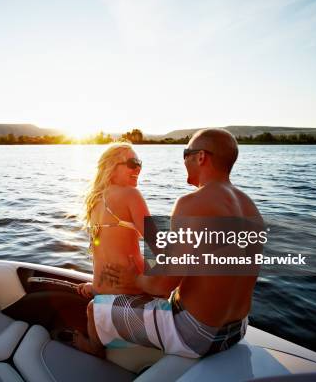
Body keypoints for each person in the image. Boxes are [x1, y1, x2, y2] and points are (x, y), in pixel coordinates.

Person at [84, 128, 263, 359]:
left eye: (185, 153)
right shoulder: (250, 207)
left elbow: (162, 286)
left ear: (201, 157)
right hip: (237, 330)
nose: (184, 161)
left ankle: (92, 351)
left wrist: (134, 278)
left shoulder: (191, 203)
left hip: (195, 335)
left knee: (94, 310)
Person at [73, 142, 150, 356]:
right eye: (132, 164)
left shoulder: (96, 200)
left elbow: (104, 252)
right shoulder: (130, 195)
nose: (138, 169)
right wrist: (151, 283)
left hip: (105, 293)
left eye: (140, 164)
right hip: (130, 290)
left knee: (92, 307)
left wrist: (96, 286)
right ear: (111, 167)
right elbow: (163, 244)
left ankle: (93, 343)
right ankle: (94, 349)